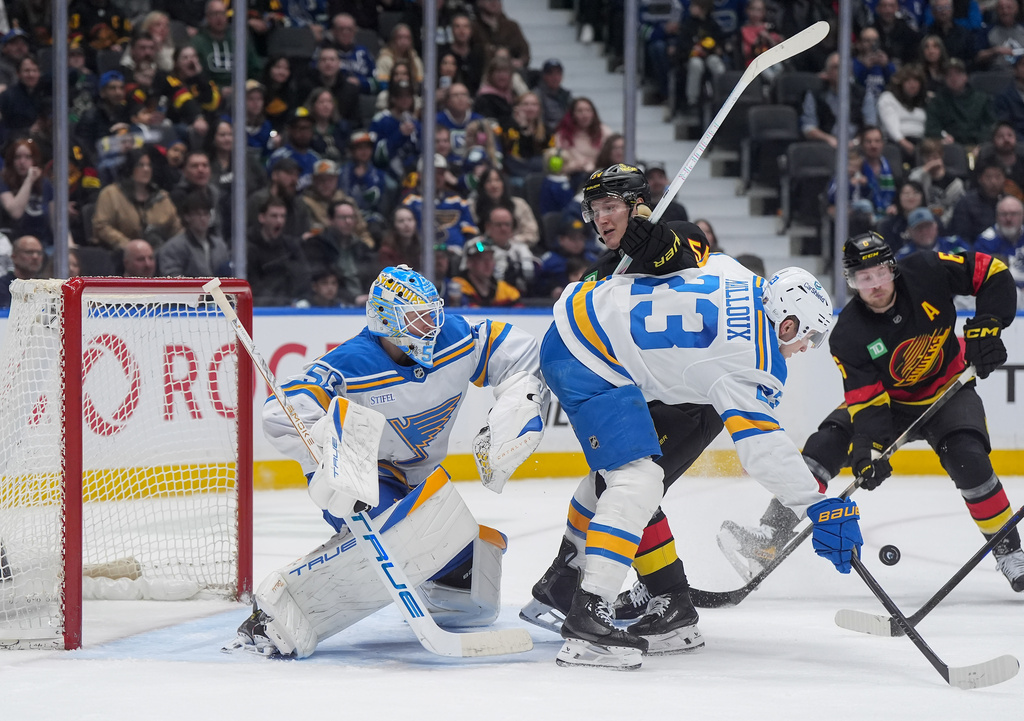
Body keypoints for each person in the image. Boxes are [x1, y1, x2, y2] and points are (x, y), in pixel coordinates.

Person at [534, 252, 848, 669]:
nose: (805, 348)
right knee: (635, 481)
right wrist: (816, 503)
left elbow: (699, 254)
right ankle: (590, 614)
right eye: (808, 337)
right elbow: (763, 450)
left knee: (613, 476)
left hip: (577, 319)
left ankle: (564, 579)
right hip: (589, 356)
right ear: (787, 324)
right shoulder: (756, 357)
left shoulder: (737, 273)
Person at [227, 264, 548, 658]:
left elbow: (519, 350)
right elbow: (282, 414)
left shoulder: (456, 338)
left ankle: (430, 584)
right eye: (417, 318)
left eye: (433, 314)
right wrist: (334, 458)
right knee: (400, 532)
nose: (430, 327)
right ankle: (276, 614)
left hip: (421, 479)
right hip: (366, 481)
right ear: (385, 320)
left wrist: (518, 404)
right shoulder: (350, 364)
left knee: (473, 579)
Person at [718, 232, 1024, 593]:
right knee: (826, 444)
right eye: (864, 278)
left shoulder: (927, 270)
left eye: (880, 273)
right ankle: (769, 535)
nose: (875, 285)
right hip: (889, 402)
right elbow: (866, 401)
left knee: (969, 460)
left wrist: (989, 323)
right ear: (851, 283)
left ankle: (1010, 553)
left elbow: (994, 272)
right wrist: (867, 450)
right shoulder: (849, 333)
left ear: (893, 268)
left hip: (947, 391)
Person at [516, 165, 731, 658]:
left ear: (638, 206)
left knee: (630, 488)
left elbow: (676, 249)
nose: (602, 218)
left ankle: (665, 600)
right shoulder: (602, 270)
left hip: (694, 399)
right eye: (595, 211)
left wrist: (646, 237)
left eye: (612, 207)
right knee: (614, 485)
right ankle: (575, 580)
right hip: (648, 396)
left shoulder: (681, 234)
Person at [92, 147, 183, 252]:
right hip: (121, 255)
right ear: (130, 167)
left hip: (160, 253)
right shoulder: (110, 194)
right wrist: (130, 247)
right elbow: (102, 226)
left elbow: (176, 229)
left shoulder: (162, 197)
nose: (146, 169)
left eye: (149, 165)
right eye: (141, 165)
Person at [246, 195, 312, 307]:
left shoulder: (291, 247)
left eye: (282, 216)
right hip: (261, 308)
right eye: (274, 216)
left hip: (290, 304)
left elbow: (303, 276)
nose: (279, 221)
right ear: (262, 218)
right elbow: (253, 286)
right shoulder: (249, 248)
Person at [158, 189, 229, 277]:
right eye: (198, 214)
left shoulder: (220, 246)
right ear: (187, 217)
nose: (203, 218)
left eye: (206, 214)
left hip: (217, 290)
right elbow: (173, 278)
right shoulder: (174, 247)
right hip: (190, 290)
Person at [448, 237, 522, 308]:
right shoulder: (458, 286)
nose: (487, 264)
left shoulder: (504, 289)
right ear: (469, 263)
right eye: (482, 259)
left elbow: (521, 313)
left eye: (490, 259)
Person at [894, 207, 967, 260]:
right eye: (919, 228)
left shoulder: (955, 244)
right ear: (910, 232)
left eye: (927, 226)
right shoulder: (904, 257)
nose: (924, 231)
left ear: (936, 226)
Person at [0, 235, 44, 307]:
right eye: (29, 252)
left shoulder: (46, 287)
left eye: (39, 253)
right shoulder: (2, 287)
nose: (35, 257)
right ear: (14, 257)